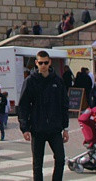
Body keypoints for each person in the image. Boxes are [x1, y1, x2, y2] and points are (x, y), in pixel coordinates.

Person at [18, 50, 68, 181]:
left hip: (55, 128)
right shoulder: (30, 81)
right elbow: (23, 105)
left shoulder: (58, 80)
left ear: (50, 62)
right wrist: (25, 127)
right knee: (37, 163)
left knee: (61, 159)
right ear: (36, 63)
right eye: (41, 63)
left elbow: (64, 104)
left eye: (46, 62)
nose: (43, 65)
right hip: (37, 128)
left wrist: (66, 128)